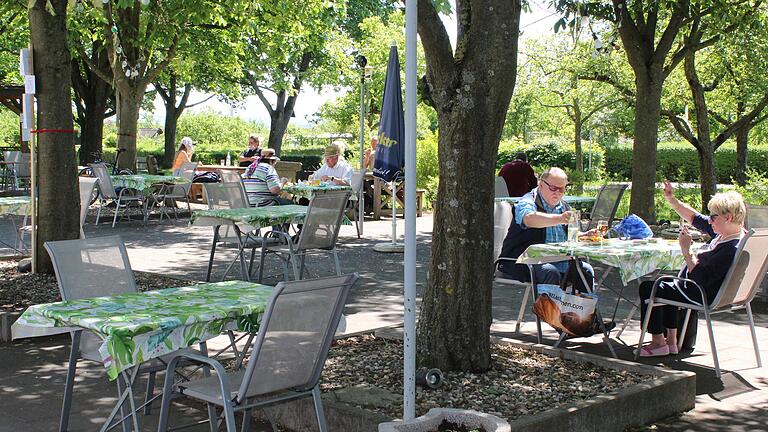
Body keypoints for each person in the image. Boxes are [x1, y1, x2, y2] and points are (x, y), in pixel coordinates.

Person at [637, 182, 746, 357]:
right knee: (667, 283)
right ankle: (671, 342)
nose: (710, 220)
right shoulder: (732, 235)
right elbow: (696, 218)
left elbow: (699, 279)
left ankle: (658, 342)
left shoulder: (729, 249)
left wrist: (687, 251)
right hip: (705, 290)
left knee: (649, 287)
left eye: (713, 217)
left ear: (729, 217)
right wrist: (672, 200)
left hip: (701, 293)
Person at [498, 167, 595, 292]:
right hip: (524, 260)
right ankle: (548, 311)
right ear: (541, 184)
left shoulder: (564, 206)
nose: (558, 192)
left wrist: (585, 235)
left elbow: (571, 234)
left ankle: (582, 311)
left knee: (586, 271)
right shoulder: (528, 201)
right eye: (553, 188)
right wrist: (559, 218)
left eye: (562, 189)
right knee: (550, 272)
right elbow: (529, 219)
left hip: (559, 259)